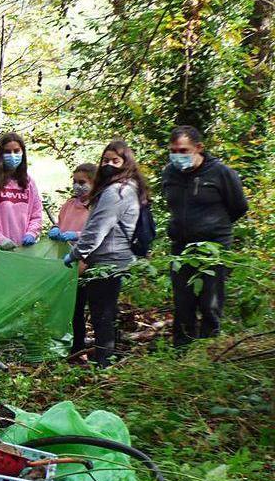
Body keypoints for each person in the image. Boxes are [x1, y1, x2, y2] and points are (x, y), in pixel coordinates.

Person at [161, 125, 248, 347]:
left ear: (199, 148)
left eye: (183, 151)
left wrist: (212, 228)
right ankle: (182, 354)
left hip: (214, 249)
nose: (178, 156)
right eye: (173, 151)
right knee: (183, 303)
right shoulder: (169, 173)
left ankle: (209, 353)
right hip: (181, 248)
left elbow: (238, 207)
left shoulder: (220, 173)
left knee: (210, 303)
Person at [63, 141, 146, 367]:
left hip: (109, 259)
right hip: (111, 257)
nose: (109, 165)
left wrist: (77, 253)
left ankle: (104, 364)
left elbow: (98, 227)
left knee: (102, 315)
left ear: (125, 163)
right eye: (105, 160)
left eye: (115, 161)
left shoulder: (117, 191)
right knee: (104, 313)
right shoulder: (124, 188)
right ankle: (105, 359)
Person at [50, 162, 97, 354]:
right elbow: (60, 225)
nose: (78, 186)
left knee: (79, 308)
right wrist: (55, 231)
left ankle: (78, 347)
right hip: (65, 264)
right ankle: (64, 343)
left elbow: (95, 231)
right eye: (75, 182)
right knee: (66, 308)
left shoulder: (95, 206)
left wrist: (75, 234)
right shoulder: (69, 204)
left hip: (85, 263)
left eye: (83, 182)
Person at [0, 132, 43, 252]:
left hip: (23, 251)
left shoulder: (29, 183)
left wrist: (31, 233)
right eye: (7, 152)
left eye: (16, 151)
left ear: (23, 153)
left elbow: (36, 215)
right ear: (0, 155)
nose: (12, 155)